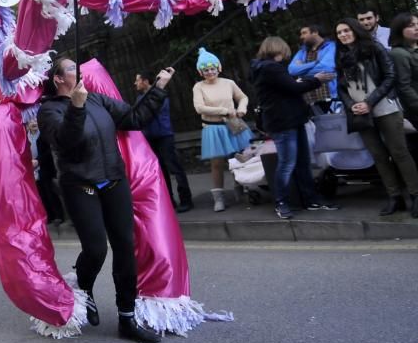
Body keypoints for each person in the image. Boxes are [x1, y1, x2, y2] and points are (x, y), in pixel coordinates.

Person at [39, 58, 177, 343]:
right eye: (72, 69)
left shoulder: (99, 100)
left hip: (114, 180)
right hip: (79, 185)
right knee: (96, 249)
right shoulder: (49, 110)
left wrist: (159, 87)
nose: (81, 72)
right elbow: (67, 142)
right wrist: (76, 107)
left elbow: (134, 119)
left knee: (126, 247)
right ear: (58, 79)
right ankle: (84, 287)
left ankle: (127, 317)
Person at [334, 18, 418, 216]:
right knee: (378, 156)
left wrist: (369, 102)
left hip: (384, 107)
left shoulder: (374, 48)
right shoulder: (341, 55)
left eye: (346, 30)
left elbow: (390, 77)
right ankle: (394, 197)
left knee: (399, 152)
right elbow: (341, 87)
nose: (343, 35)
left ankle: (415, 194)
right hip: (359, 112)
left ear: (355, 30)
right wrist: (350, 105)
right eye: (339, 33)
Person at [249, 36, 340, 219]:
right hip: (284, 121)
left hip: (288, 119)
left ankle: (310, 199)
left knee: (299, 162)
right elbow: (293, 88)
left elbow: (285, 88)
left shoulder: (262, 68)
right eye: (284, 51)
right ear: (279, 50)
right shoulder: (271, 68)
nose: (286, 55)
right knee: (289, 163)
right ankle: (282, 201)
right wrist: (316, 79)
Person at [192, 48, 253, 212]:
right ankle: (219, 198)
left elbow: (242, 97)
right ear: (201, 71)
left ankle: (244, 187)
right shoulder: (199, 87)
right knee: (217, 163)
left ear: (218, 67)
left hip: (234, 124)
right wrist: (224, 111)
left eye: (212, 68)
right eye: (205, 69)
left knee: (241, 158)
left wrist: (242, 108)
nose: (210, 72)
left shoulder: (228, 83)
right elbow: (199, 108)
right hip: (213, 129)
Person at [134, 70, 193, 213]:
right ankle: (169, 200)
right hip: (150, 137)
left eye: (137, 80)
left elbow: (149, 113)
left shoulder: (160, 96)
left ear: (146, 81)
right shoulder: (140, 98)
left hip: (164, 135)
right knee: (160, 170)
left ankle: (186, 199)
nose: (135, 83)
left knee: (174, 167)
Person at [288, 24, 338, 114]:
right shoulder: (302, 52)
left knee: (335, 125)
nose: (301, 36)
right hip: (308, 100)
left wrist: (302, 70)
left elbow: (326, 68)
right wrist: (315, 63)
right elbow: (292, 70)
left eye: (304, 33)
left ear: (315, 32)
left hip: (330, 97)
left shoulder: (331, 47)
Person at [27, 119, 63, 225]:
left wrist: (38, 160)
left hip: (45, 168)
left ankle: (58, 216)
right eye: (30, 121)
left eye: (35, 121)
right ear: (27, 125)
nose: (34, 123)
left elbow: (48, 152)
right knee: (41, 194)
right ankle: (49, 216)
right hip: (33, 170)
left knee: (50, 193)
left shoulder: (43, 135)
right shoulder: (25, 138)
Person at [388, 12, 418, 128]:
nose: (417, 28)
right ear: (399, 30)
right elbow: (404, 86)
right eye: (411, 25)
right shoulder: (399, 54)